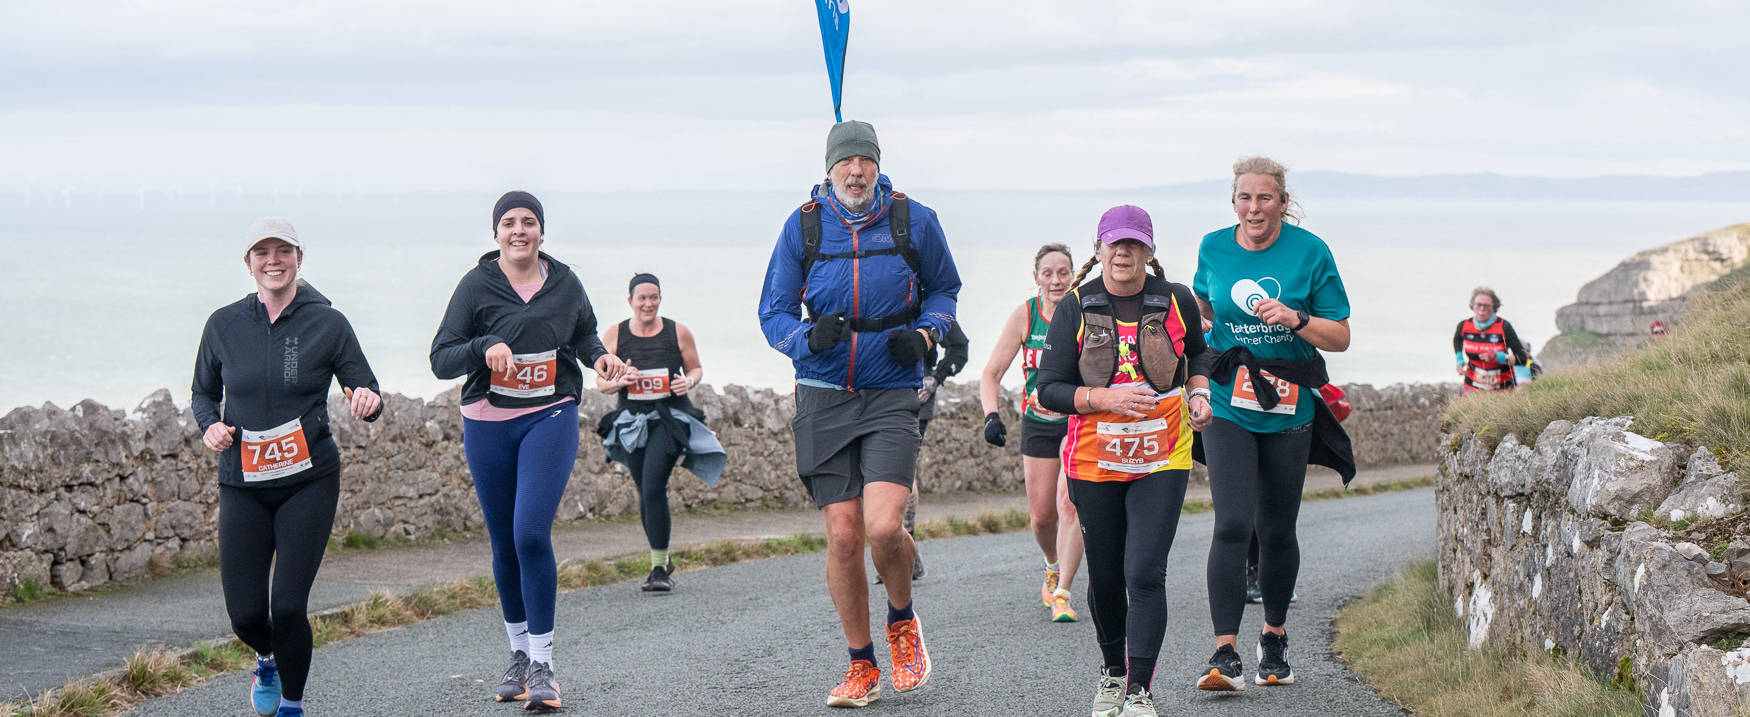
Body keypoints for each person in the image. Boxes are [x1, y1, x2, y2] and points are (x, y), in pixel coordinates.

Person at [757, 120, 961, 708]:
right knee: (843, 536)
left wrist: (926, 334)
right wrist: (805, 338)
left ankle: (902, 621)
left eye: (864, 163)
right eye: (845, 164)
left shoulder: (912, 219)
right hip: (822, 393)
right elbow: (772, 312)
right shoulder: (803, 225)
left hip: (891, 389)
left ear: (877, 165)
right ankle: (861, 665)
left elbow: (945, 290)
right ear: (829, 169)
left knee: (881, 527)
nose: (855, 173)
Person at [430, 191, 630, 712]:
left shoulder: (564, 283)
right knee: (503, 542)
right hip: (488, 423)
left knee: (530, 532)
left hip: (550, 414)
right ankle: (518, 657)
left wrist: (602, 360)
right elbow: (440, 358)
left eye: (529, 222)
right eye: (509, 223)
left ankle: (544, 664)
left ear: (542, 231)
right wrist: (483, 347)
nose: (520, 230)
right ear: (496, 233)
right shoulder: (477, 286)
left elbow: (585, 336)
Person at [192, 217, 384, 717]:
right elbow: (203, 392)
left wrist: (365, 399)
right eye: (262, 253)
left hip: (308, 481)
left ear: (300, 258)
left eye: (284, 251)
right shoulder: (223, 325)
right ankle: (266, 657)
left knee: (290, 607)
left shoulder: (328, 323)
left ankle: (292, 707)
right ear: (248, 264)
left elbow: (366, 386)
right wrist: (210, 424)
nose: (273, 261)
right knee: (247, 614)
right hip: (243, 482)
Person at [1035, 205, 1206, 717]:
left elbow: (1200, 356)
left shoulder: (1177, 301)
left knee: (1145, 572)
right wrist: (1102, 399)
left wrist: (1199, 395)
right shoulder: (1076, 307)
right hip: (1095, 461)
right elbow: (1049, 389)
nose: (1124, 252)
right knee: (1106, 575)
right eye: (1115, 243)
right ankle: (1111, 675)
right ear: (1099, 248)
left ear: (1149, 251)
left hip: (1163, 456)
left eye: (1134, 244)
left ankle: (1139, 690)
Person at [1194, 157, 1353, 693]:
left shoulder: (1312, 252)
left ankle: (1274, 639)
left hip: (1289, 406)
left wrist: (1298, 319)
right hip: (1227, 403)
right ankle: (1225, 651)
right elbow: (1201, 308)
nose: (1254, 208)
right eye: (1244, 198)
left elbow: (1341, 336)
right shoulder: (1213, 246)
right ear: (1233, 201)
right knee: (1233, 523)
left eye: (1265, 198)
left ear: (1283, 202)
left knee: (1278, 529)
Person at [596, 272, 726, 593]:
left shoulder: (677, 332)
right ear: (630, 301)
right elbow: (600, 383)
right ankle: (662, 559)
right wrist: (619, 381)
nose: (648, 303)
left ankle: (658, 569)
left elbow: (695, 368)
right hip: (632, 423)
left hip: (670, 421)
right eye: (642, 298)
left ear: (660, 300)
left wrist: (689, 381)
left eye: (654, 297)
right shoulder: (615, 335)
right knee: (645, 490)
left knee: (653, 486)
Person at [977, 243, 1087, 622]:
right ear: (1036, 277)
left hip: (1077, 420)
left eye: (1063, 272)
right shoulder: (1025, 316)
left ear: (1073, 274)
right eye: (1048, 273)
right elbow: (991, 373)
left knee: (1070, 503)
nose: (1056, 280)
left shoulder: (1085, 310)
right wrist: (991, 415)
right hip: (1038, 422)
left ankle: (1063, 592)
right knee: (1042, 517)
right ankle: (1052, 564)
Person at [877, 320, 968, 585]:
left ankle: (906, 553)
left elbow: (959, 348)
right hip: (873, 397)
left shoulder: (927, 302)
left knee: (901, 473)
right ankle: (902, 552)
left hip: (914, 399)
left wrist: (935, 379)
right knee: (880, 477)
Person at [1452, 287, 1531, 395]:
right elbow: (1457, 339)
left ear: (1494, 307)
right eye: (1478, 304)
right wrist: (1459, 360)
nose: (1482, 309)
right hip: (1472, 388)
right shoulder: (1464, 326)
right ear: (1472, 306)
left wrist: (1499, 357)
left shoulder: (1504, 327)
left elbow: (1522, 359)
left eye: (1486, 306)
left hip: (1502, 389)